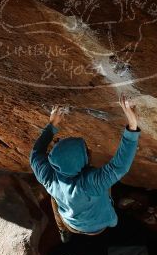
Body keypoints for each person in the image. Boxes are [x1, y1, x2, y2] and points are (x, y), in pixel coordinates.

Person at [30, 94, 141, 242]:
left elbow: (35, 155)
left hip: (71, 224)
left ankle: (63, 231)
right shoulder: (90, 184)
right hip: (98, 224)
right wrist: (132, 126)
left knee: (55, 197)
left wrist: (52, 126)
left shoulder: (48, 178)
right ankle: (63, 229)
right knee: (101, 182)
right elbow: (118, 167)